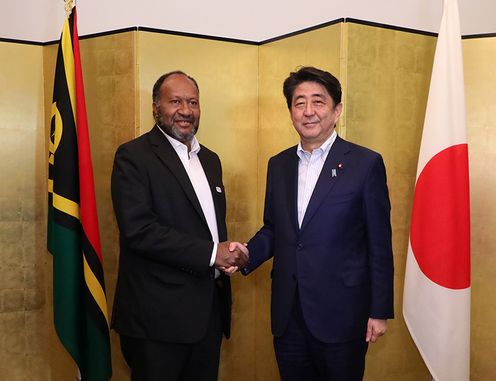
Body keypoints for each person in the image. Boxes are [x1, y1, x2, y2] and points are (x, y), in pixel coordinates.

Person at [240, 66, 394, 381]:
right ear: (291, 111)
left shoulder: (365, 164)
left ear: (336, 110)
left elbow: (379, 244)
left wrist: (379, 310)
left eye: (318, 102)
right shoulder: (279, 165)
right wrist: (244, 254)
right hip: (288, 315)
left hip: (343, 315)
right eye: (299, 103)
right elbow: (275, 229)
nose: (308, 111)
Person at [111, 70, 248, 381]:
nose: (186, 110)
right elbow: (139, 231)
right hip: (157, 322)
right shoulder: (133, 157)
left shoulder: (211, 160)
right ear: (155, 107)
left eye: (193, 102)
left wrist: (227, 256)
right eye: (175, 101)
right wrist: (214, 254)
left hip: (207, 316)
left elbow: (208, 228)